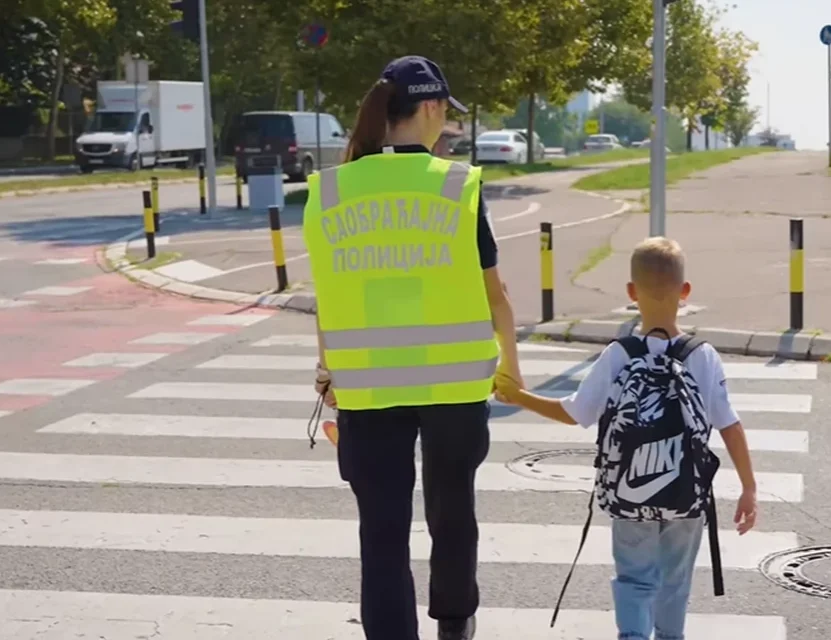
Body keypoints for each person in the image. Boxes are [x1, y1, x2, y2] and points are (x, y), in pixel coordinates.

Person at [301, 54, 524, 640]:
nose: (446, 123)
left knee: (381, 533)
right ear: (428, 107)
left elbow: (328, 294)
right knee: (452, 516)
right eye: (445, 111)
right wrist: (511, 367)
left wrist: (327, 372)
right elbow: (495, 295)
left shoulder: (329, 192)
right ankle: (454, 625)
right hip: (452, 386)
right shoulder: (457, 187)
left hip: (368, 388)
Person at [493, 237, 759, 640]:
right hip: (686, 497)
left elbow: (575, 413)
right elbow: (730, 425)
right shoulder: (702, 355)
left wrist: (519, 397)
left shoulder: (620, 354)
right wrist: (748, 488)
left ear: (631, 293)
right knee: (675, 582)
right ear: (685, 292)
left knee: (635, 577)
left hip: (630, 496)